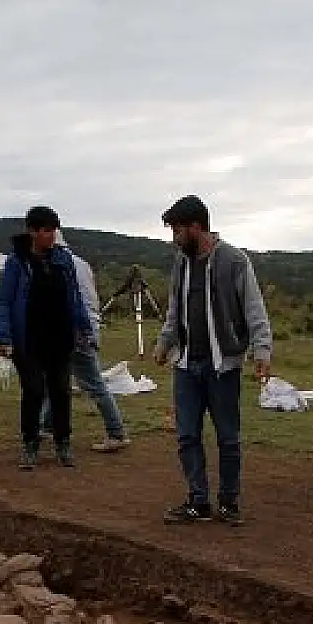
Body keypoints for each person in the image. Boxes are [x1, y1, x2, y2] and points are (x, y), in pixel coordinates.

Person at [152, 195, 273, 525]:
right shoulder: (181, 262)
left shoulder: (234, 261)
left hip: (223, 365)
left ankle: (229, 501)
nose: (174, 238)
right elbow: (175, 309)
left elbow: (254, 309)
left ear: (197, 227)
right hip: (187, 363)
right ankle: (198, 500)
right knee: (187, 434)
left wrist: (262, 351)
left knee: (227, 436)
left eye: (178, 230)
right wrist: (165, 342)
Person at [0, 206, 95, 469]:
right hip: (28, 338)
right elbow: (5, 301)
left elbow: (75, 297)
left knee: (61, 391)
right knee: (33, 390)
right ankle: (30, 444)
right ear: (32, 231)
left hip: (60, 337)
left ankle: (63, 443)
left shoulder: (63, 260)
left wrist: (85, 329)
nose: (51, 235)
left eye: (54, 230)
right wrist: (4, 337)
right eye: (46, 230)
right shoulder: (17, 261)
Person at [37, 229, 130, 453]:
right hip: (81, 330)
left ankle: (116, 432)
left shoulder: (60, 265)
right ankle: (46, 425)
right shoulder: (81, 264)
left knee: (94, 385)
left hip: (74, 333)